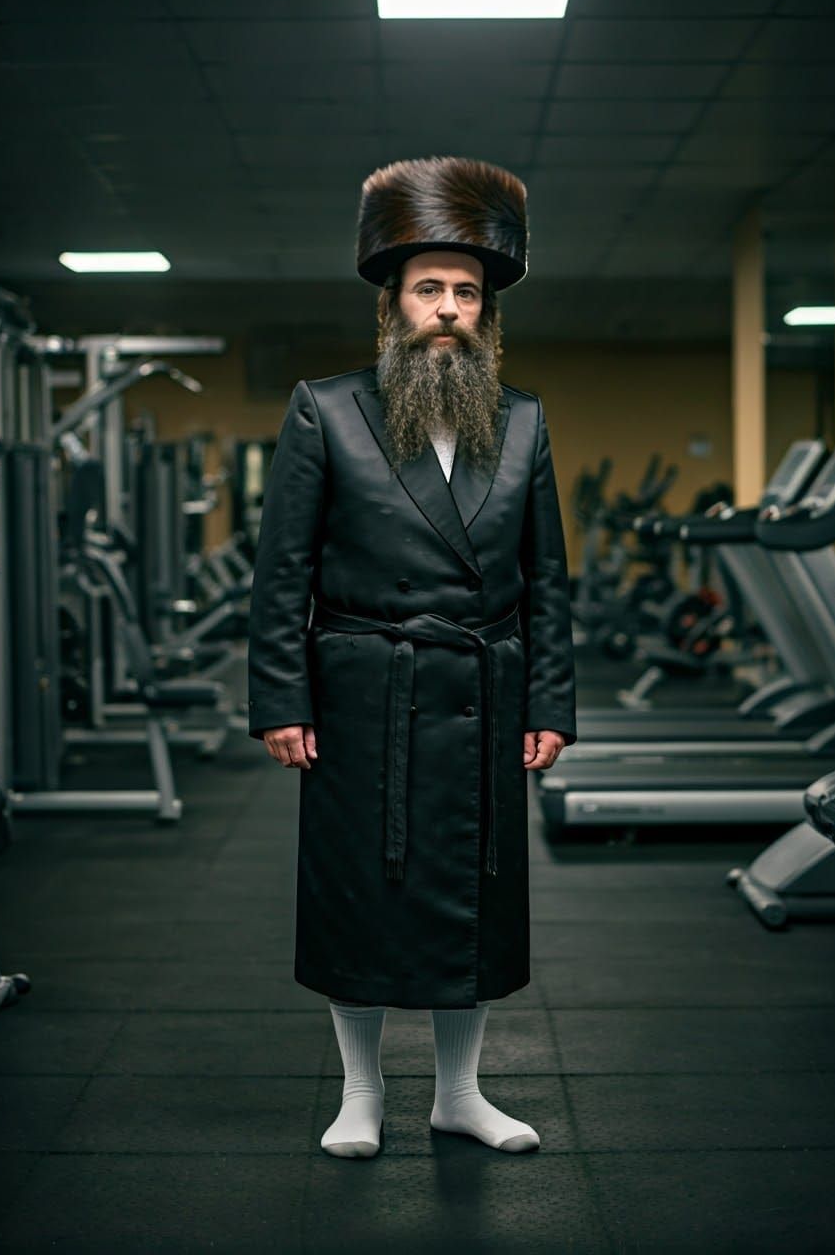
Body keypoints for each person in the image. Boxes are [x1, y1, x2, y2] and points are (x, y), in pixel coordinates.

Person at [247, 156, 577, 1159]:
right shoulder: (324, 408)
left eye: (464, 292)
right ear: (391, 302)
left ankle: (459, 1093)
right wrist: (279, 697)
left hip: (482, 684)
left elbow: (548, 578)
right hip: (361, 689)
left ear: (486, 312)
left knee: (470, 894)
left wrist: (548, 701)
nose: (446, 309)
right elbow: (280, 573)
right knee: (359, 892)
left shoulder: (520, 421)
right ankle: (358, 1093)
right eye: (427, 288)